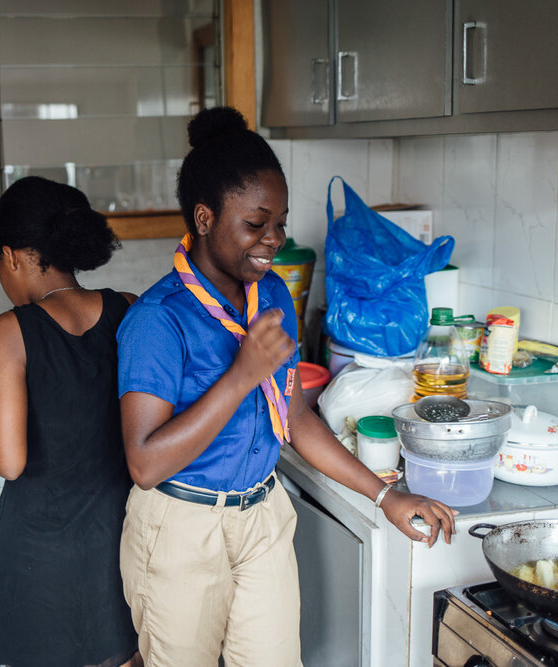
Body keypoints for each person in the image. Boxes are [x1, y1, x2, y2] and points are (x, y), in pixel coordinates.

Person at [116, 106, 458, 666]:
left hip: (261, 516)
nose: (274, 238)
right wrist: (241, 375)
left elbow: (294, 418)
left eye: (281, 222)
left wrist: (385, 495)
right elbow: (145, 464)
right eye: (256, 223)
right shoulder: (158, 319)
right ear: (204, 219)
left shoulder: (271, 295)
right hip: (180, 529)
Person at [0, 176, 140, 667]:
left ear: (11, 256)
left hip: (41, 556)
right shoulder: (128, 309)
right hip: (121, 539)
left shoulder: (9, 332)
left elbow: (9, 461)